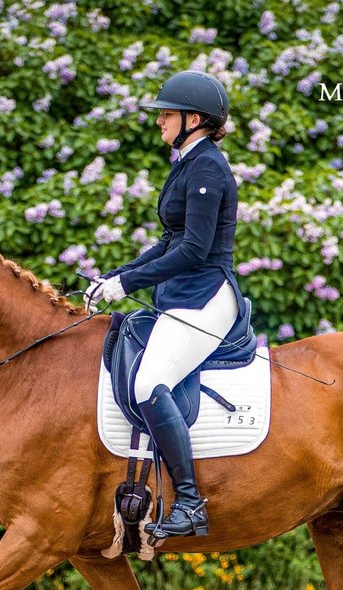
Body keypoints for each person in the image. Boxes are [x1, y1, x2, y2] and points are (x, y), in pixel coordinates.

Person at [87, 70, 251, 542]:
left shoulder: (206, 169)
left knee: (148, 382)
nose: (159, 121)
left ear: (193, 119)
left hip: (205, 296)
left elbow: (194, 251)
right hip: (182, 295)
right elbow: (169, 240)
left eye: (166, 113)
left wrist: (128, 284)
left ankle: (190, 503)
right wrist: (117, 277)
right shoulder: (186, 163)